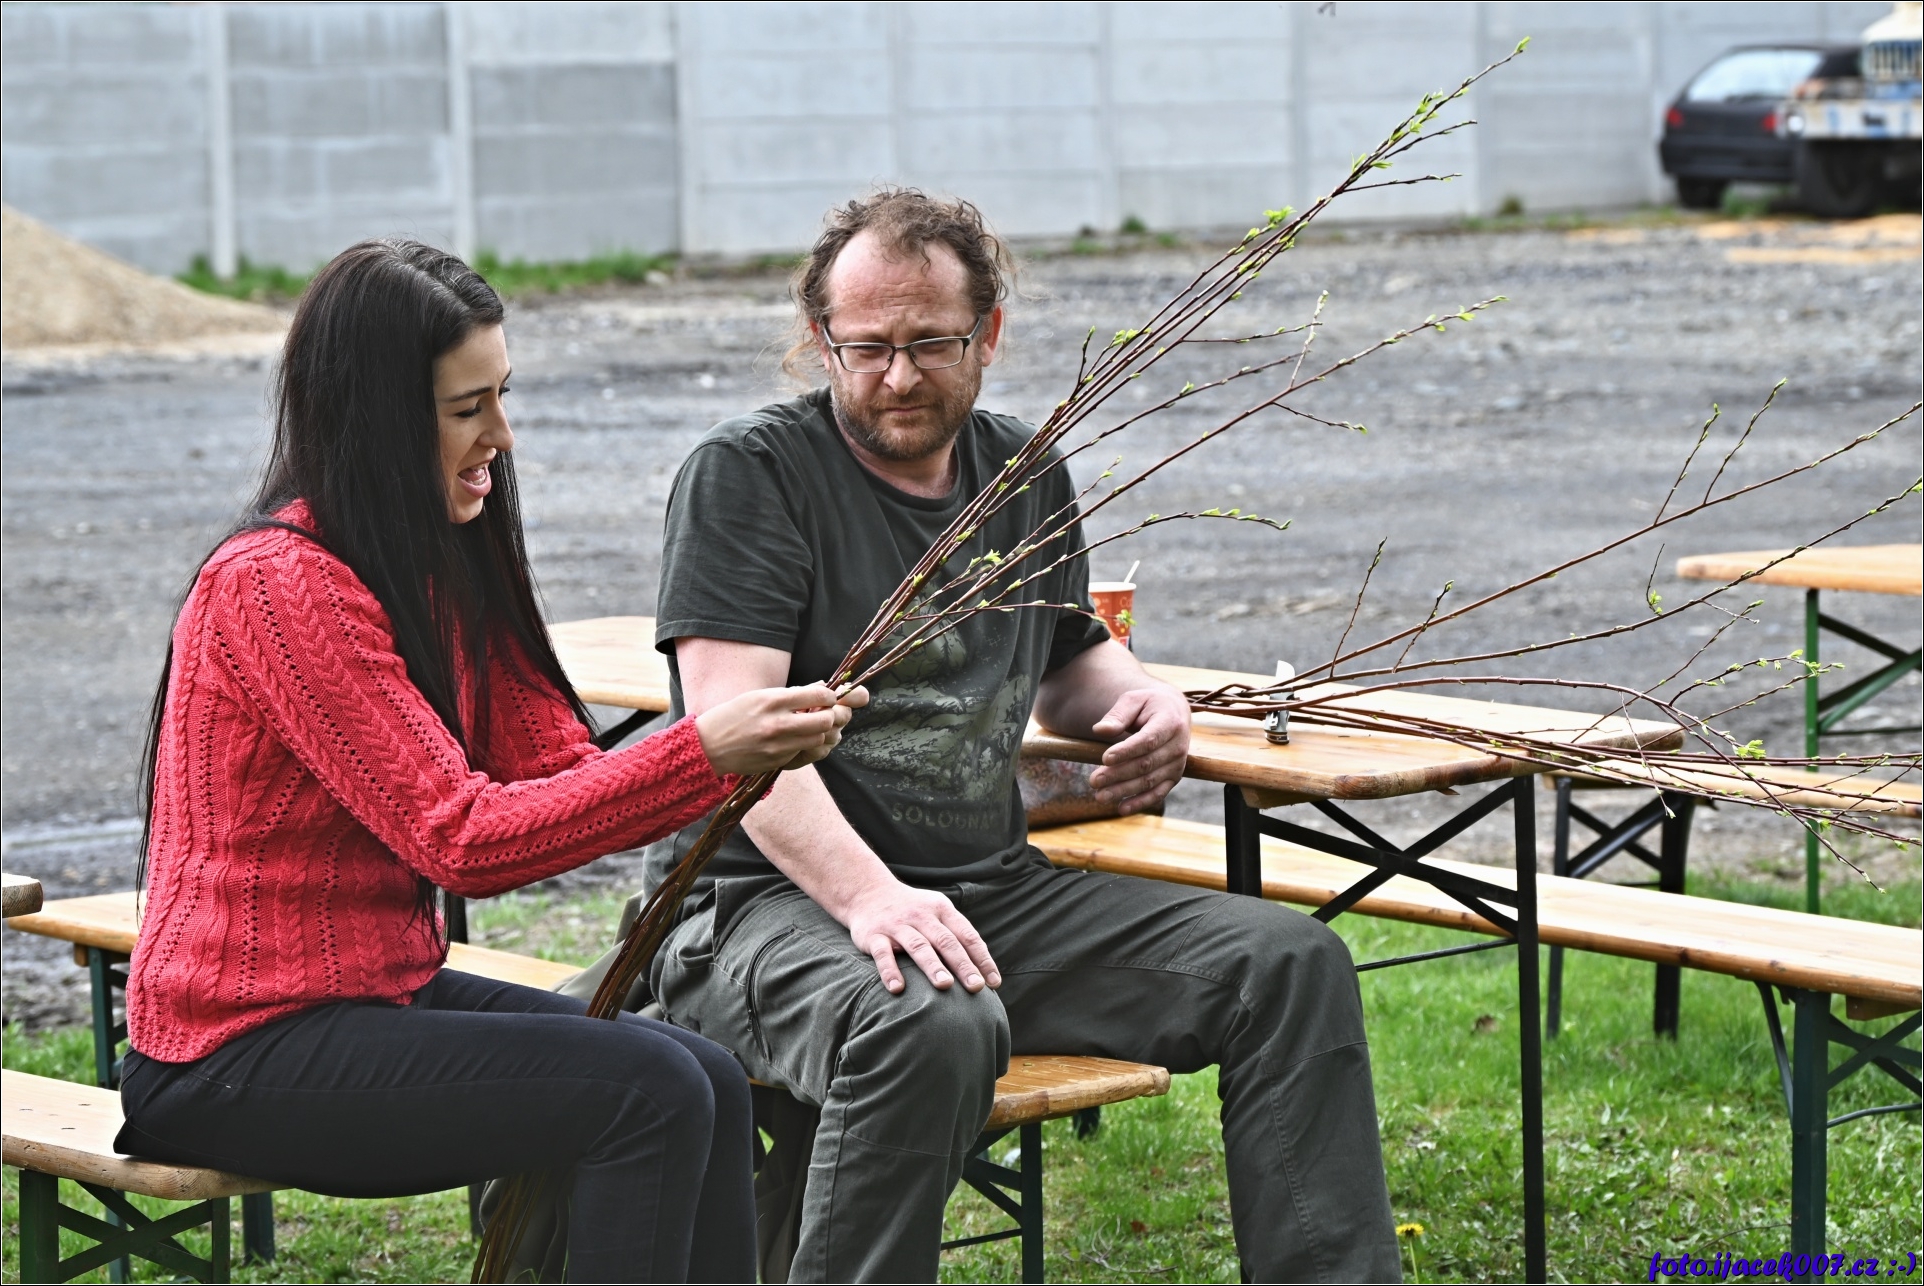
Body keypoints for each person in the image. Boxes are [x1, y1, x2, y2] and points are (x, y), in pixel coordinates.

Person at [595, 191, 1401, 1282]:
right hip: (758, 907)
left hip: (987, 899)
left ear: (989, 332)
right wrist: (874, 898)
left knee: (1289, 966)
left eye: (931, 343)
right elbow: (734, 738)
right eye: (867, 347)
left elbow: (1066, 661)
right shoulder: (751, 474)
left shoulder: (1021, 474)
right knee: (929, 1021)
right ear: (821, 339)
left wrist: (1143, 701)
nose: (898, 376)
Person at [114, 238, 863, 1283]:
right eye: (468, 408)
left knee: (707, 1077)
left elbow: (556, 767)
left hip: (376, 998)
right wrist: (702, 751)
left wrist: (742, 738)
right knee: (646, 1092)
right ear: (378, 418)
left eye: (501, 395)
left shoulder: (438, 555)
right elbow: (461, 840)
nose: (501, 435)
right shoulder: (280, 584)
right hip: (231, 1050)